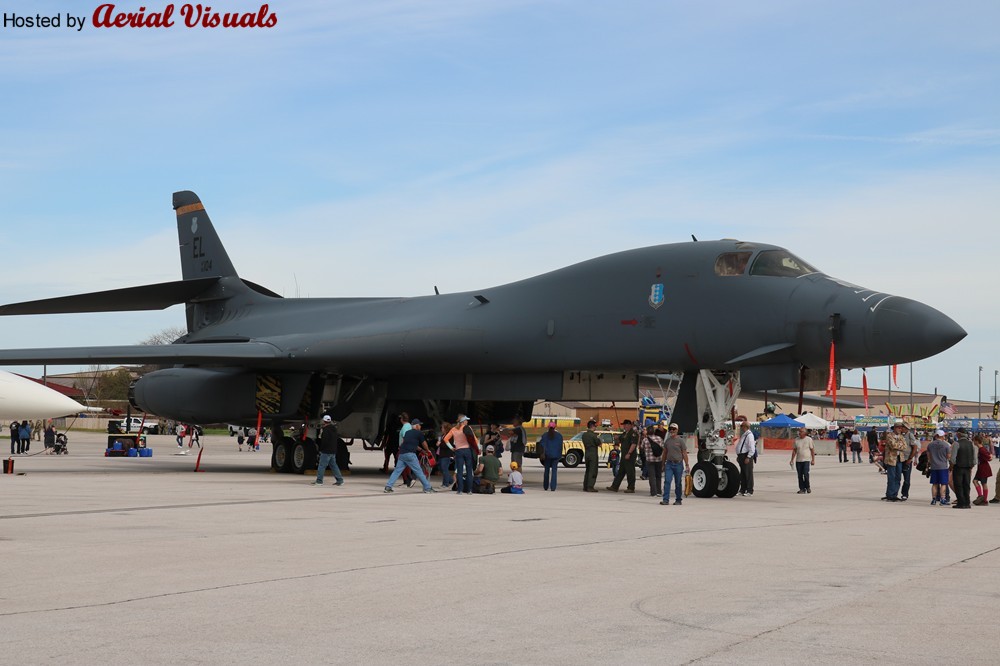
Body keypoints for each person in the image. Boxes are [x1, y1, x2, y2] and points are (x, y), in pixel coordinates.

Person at [384, 419, 436, 493]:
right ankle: (428, 488)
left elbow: (410, 444)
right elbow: (424, 443)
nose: (420, 426)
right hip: (410, 454)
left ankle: (388, 487)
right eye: (420, 425)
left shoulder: (407, 433)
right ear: (417, 426)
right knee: (419, 471)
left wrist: (421, 450)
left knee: (397, 471)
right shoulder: (419, 433)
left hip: (402, 454)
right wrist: (427, 450)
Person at [443, 414, 477, 495]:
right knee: (469, 470)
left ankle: (460, 490)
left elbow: (445, 439)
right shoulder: (468, 428)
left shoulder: (453, 429)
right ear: (463, 421)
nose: (467, 421)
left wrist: (451, 448)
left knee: (460, 471)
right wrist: (477, 448)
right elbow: (474, 438)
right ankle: (469, 490)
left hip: (458, 451)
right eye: (466, 420)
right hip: (467, 450)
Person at [659, 423, 689, 505]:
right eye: (670, 429)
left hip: (678, 464)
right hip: (669, 464)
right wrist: (662, 464)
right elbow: (664, 453)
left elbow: (684, 453)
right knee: (667, 481)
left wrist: (687, 465)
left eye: (673, 429)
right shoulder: (667, 441)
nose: (672, 431)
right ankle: (665, 500)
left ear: (677, 430)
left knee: (678, 483)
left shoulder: (680, 441)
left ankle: (678, 499)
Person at [311, 415, 345, 486]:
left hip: (326, 451)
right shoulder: (334, 429)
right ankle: (340, 480)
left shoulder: (325, 430)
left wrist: (321, 449)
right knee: (334, 466)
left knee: (321, 466)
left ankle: (319, 481)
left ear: (324, 421)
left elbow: (324, 442)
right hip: (333, 451)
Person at [606, 420, 638, 493]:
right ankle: (615, 486)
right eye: (623, 425)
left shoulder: (633, 434)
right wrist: (616, 437)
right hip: (624, 455)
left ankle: (631, 487)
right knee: (621, 472)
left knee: (630, 472)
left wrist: (629, 453)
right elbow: (619, 440)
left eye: (625, 425)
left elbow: (633, 444)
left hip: (630, 455)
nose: (624, 426)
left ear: (629, 425)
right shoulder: (624, 433)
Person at [881, 420, 908, 502]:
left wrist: (899, 445)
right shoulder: (889, 436)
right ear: (895, 428)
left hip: (899, 459)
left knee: (898, 477)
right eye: (899, 428)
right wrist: (899, 445)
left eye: (901, 428)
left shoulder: (901, 436)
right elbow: (893, 446)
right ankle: (890, 494)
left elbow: (905, 446)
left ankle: (895, 494)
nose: (900, 429)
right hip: (891, 459)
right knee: (891, 477)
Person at [949, 428, 975, 509]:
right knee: (966, 484)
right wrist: (971, 466)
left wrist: (951, 467)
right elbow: (974, 458)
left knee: (958, 485)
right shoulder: (971, 444)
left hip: (958, 467)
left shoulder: (956, 444)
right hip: (968, 467)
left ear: (959, 434)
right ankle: (967, 502)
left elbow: (953, 458)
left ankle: (961, 503)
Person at [926, 430, 951, 506]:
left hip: (934, 466)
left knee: (934, 484)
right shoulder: (946, 445)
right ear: (942, 436)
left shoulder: (930, 445)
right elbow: (948, 456)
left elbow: (928, 456)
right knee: (943, 483)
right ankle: (942, 499)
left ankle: (933, 499)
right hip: (943, 466)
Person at [789, 427, 816, 494]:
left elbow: (812, 450)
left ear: (805, 433)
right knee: (800, 475)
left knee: (806, 474)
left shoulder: (809, 440)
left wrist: (813, 460)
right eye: (799, 431)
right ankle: (802, 489)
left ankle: (807, 487)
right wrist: (792, 459)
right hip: (798, 460)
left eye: (801, 432)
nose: (799, 433)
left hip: (806, 460)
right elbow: (794, 450)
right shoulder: (796, 440)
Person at [539, 421, 563, 491]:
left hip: (547, 455)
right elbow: (560, 446)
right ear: (555, 427)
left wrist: (542, 454)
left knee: (546, 471)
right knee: (554, 471)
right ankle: (553, 487)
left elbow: (542, 445)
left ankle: (545, 486)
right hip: (556, 456)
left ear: (548, 427)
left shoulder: (545, 435)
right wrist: (559, 455)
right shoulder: (559, 435)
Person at [641, 425, 664, 497]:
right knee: (658, 476)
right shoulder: (659, 438)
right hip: (658, 459)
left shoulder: (645, 440)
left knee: (652, 476)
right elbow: (663, 447)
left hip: (649, 460)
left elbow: (641, 447)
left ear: (647, 432)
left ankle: (653, 492)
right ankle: (659, 492)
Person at [898, 422, 919, 501]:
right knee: (897, 477)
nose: (901, 429)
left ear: (906, 428)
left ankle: (905, 494)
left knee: (906, 479)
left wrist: (910, 459)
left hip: (907, 459)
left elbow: (915, 447)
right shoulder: (900, 435)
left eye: (902, 427)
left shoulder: (910, 435)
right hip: (899, 459)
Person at [735, 422, 756, 496]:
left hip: (746, 456)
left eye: (742, 426)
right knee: (743, 474)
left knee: (748, 474)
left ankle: (750, 490)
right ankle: (742, 489)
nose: (741, 427)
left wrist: (748, 457)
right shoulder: (745, 434)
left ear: (745, 427)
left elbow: (751, 448)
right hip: (742, 456)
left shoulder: (749, 435)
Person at [972, 434, 993, 506]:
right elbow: (989, 454)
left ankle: (984, 500)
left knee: (983, 483)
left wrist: (990, 457)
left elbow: (989, 458)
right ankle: (981, 496)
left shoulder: (981, 449)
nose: (973, 442)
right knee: (975, 481)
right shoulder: (981, 448)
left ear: (977, 441)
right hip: (981, 468)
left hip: (984, 468)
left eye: (974, 440)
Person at [581, 419, 601, 492]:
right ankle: (590, 486)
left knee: (587, 470)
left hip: (587, 453)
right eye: (595, 426)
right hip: (593, 453)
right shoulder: (594, 435)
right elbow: (599, 444)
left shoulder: (584, 435)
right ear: (592, 426)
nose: (595, 428)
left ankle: (585, 486)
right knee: (593, 470)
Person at [436, 420, 454, 488]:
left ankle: (445, 483)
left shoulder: (450, 436)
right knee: (441, 468)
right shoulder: (443, 435)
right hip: (441, 454)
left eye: (442, 428)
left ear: (446, 428)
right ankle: (450, 480)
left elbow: (448, 445)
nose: (441, 429)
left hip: (447, 454)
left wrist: (440, 444)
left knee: (444, 468)